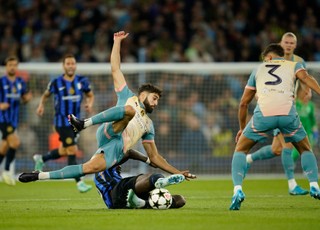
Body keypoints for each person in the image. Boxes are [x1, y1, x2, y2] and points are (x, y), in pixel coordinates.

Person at [18, 31, 196, 185]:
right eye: (154, 98)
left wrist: (178, 172)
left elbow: (155, 157)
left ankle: (39, 175)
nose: (156, 103)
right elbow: (115, 69)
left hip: (117, 148)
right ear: (143, 94)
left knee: (89, 168)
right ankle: (84, 123)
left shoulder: (149, 125)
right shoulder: (129, 96)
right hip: (110, 131)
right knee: (129, 111)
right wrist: (117, 42)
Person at [229, 43, 320, 211]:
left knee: (240, 150)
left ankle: (238, 190)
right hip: (287, 115)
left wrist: (242, 128)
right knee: (305, 149)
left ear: (269, 58)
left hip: (264, 115)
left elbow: (243, 104)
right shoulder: (294, 65)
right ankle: (314, 184)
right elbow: (307, 79)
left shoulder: (258, 69)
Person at [245, 32, 310, 195]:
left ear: (295, 45)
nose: (288, 45)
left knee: (277, 149)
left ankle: (248, 159)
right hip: (274, 107)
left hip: (289, 108)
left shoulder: (299, 62)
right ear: (281, 44)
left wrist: (306, 93)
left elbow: (303, 83)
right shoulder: (271, 60)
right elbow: (260, 80)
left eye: (291, 43)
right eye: (286, 42)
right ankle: (292, 185)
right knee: (288, 144)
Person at [32, 53, 94, 193]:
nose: (71, 66)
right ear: (64, 66)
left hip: (76, 123)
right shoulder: (56, 82)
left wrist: (89, 104)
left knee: (64, 150)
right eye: (68, 63)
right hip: (61, 123)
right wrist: (41, 105)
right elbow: (46, 95)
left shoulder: (82, 81)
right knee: (72, 150)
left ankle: (41, 158)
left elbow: (90, 95)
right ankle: (79, 182)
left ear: (75, 65)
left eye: (73, 63)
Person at [95, 149, 186, 209]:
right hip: (117, 194)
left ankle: (143, 204)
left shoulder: (107, 172)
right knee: (147, 178)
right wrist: (149, 161)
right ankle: (158, 181)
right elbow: (130, 152)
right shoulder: (103, 165)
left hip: (121, 203)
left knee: (180, 200)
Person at [0, 56, 32, 185]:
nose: (12, 67)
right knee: (15, 142)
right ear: (6, 67)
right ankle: (7, 171)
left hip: (13, 120)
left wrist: (27, 98)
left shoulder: (20, 82)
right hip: (3, 118)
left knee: (4, 147)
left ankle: (5, 171)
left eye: (14, 65)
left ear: (16, 67)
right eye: (10, 65)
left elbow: (24, 97)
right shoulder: (1, 82)